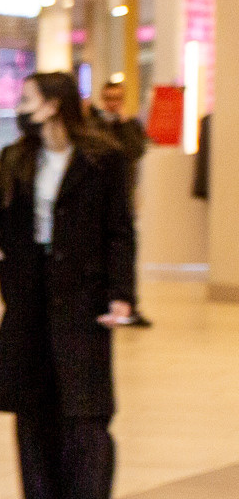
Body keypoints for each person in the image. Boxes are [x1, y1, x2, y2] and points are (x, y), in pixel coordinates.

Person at [0, 70, 138, 499]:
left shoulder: (102, 158)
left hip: (82, 301)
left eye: (28, 99)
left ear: (53, 104)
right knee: (34, 414)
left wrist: (121, 295)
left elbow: (119, 230)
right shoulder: (16, 157)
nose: (21, 106)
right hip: (28, 300)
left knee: (86, 417)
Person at [92, 80, 152, 327]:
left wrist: (123, 125)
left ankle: (128, 303)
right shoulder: (94, 126)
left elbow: (135, 151)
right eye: (108, 98)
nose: (112, 103)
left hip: (123, 196)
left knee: (123, 247)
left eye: (116, 98)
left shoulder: (130, 126)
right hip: (97, 198)